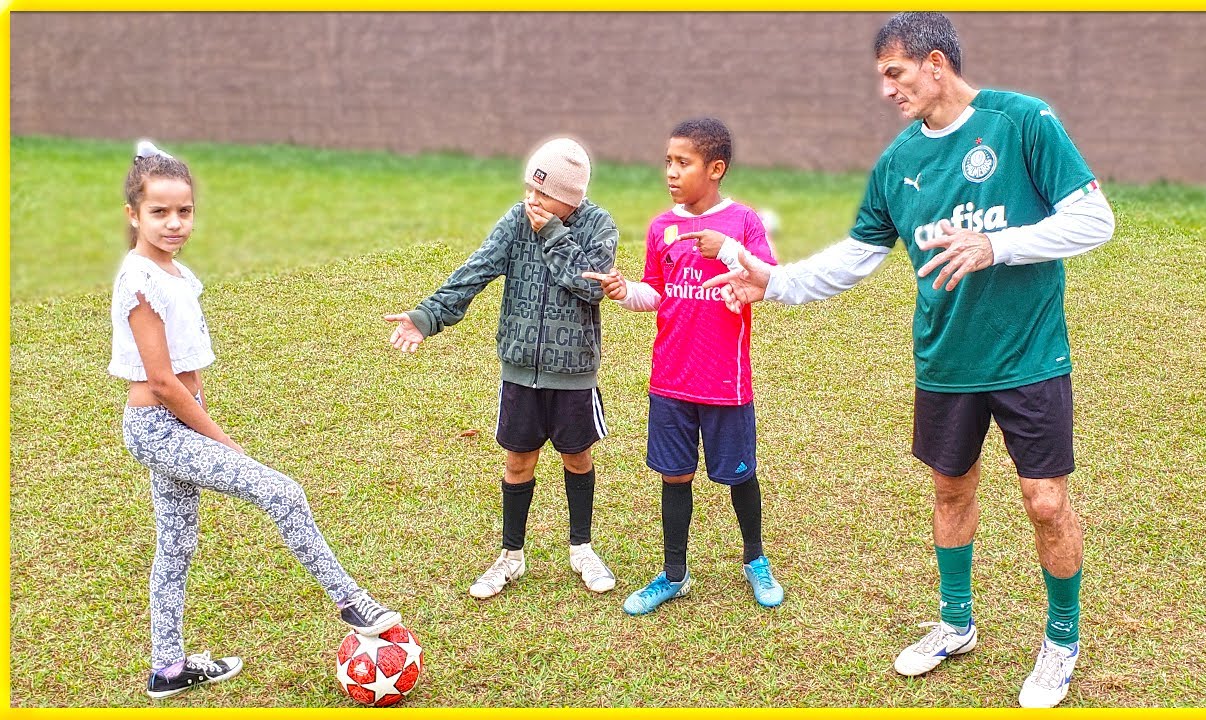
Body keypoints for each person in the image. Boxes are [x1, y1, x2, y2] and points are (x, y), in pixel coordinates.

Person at [701, 13, 1115, 708]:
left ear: (934, 64)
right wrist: (776, 281)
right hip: (945, 365)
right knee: (950, 492)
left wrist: (997, 245)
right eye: (882, 77)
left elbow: (1094, 220)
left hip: (1030, 360)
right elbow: (856, 258)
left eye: (894, 74)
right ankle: (956, 624)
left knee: (1045, 502)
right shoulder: (897, 164)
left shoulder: (1021, 122)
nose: (887, 90)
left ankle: (1062, 641)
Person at [111, 141, 401, 701]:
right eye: (159, 212)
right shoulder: (139, 281)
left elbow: (179, 381)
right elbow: (164, 382)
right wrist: (223, 442)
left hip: (170, 426)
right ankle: (352, 601)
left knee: (176, 543)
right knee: (283, 493)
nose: (174, 223)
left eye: (185, 211)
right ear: (133, 215)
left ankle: (167, 669)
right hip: (157, 428)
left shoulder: (169, 270)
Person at [384, 137, 620, 599]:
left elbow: (590, 287)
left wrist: (553, 233)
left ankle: (582, 548)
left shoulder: (598, 226)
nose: (530, 200)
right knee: (517, 461)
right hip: (518, 371)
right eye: (528, 190)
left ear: (569, 197)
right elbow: (476, 270)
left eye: (541, 193)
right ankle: (511, 556)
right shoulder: (516, 221)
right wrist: (427, 316)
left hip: (572, 374)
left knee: (577, 457)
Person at [584, 117, 784, 616]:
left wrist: (729, 251)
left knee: (740, 476)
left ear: (715, 168)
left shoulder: (742, 222)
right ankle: (674, 573)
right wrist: (625, 291)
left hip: (725, 383)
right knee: (674, 477)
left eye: (683, 162)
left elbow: (771, 275)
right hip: (671, 381)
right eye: (668, 161)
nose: (671, 172)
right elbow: (657, 291)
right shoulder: (661, 227)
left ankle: (755, 560)